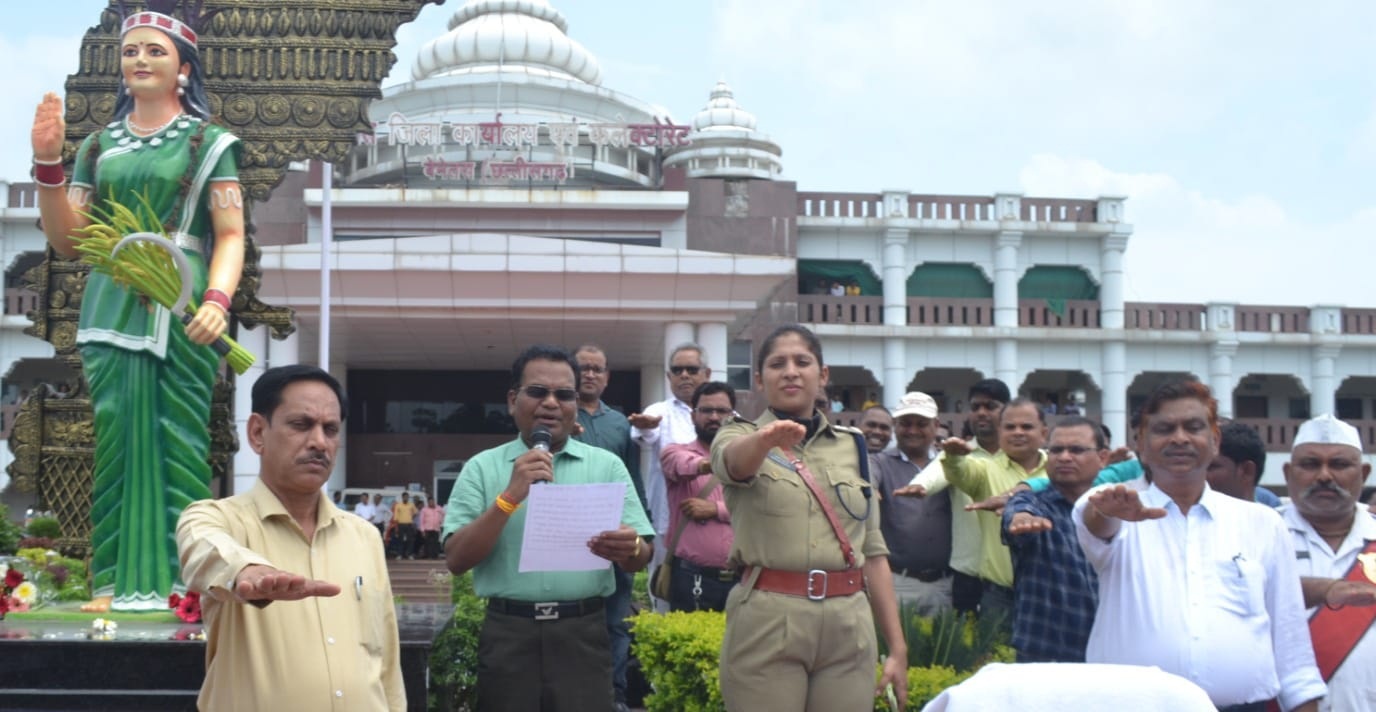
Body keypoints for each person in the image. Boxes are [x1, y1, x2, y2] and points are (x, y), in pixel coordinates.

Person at [32, 3, 244, 612]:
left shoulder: (209, 142)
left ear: (183, 66)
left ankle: (186, 582)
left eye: (155, 50)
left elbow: (230, 234)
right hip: (114, 301)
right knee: (118, 440)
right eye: (131, 51)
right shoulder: (99, 146)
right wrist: (48, 165)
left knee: (178, 438)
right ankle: (112, 584)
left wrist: (217, 300)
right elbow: (70, 239)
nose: (141, 60)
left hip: (182, 307)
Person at [1074, 380, 1324, 711]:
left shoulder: (1262, 523)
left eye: (1193, 427)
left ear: (1215, 441)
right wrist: (1104, 511)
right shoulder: (1120, 512)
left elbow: (1290, 642)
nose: (1180, 438)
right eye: (1164, 429)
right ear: (1142, 446)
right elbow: (1094, 519)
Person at [176, 365, 404, 710]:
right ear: (257, 432)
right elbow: (204, 549)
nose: (319, 442)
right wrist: (244, 571)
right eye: (301, 425)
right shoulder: (216, 518)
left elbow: (385, 657)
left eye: (330, 429)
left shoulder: (364, 536)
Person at [443, 345, 654, 712]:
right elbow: (457, 560)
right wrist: (509, 497)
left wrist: (631, 546)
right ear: (513, 400)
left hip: (583, 632)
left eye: (564, 395)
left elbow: (641, 556)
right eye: (538, 392)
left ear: (576, 403)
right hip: (509, 632)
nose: (551, 403)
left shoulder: (607, 466)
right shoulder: (481, 468)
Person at [712, 324, 907, 711]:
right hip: (768, 614)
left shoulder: (854, 446)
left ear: (823, 375)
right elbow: (733, 464)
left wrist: (897, 647)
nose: (790, 371)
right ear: (759, 379)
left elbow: (873, 550)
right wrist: (766, 439)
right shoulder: (738, 433)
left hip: (848, 622)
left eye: (803, 361)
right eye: (777, 363)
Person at [903, 397, 1047, 625]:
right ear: (1000, 432)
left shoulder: (1060, 469)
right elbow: (961, 472)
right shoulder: (984, 468)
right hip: (1000, 596)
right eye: (1010, 427)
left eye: (1026, 427)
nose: (1018, 432)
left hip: (1051, 594)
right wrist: (953, 458)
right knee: (996, 658)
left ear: (1044, 433)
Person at [1280, 415, 1376, 712]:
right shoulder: (1256, 536)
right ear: (1288, 473)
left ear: (1363, 473)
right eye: (1310, 464)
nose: (1324, 475)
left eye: (1339, 465)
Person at [572, 344, 645, 711]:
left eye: (597, 369)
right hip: (569, 532)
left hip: (615, 531)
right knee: (573, 618)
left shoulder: (620, 424)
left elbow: (633, 477)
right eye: (583, 368)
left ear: (607, 377)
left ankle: (614, 695)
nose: (590, 374)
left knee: (616, 621)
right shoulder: (556, 418)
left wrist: (640, 529)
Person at [900, 379, 1010, 614]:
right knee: (966, 647)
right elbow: (937, 471)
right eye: (975, 407)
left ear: (1007, 411)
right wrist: (920, 485)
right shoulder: (958, 452)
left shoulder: (1019, 455)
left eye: (990, 406)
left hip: (1009, 576)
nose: (981, 413)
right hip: (967, 576)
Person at [1001, 416, 1105, 662]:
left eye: (1077, 450)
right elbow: (1017, 512)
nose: (1065, 457)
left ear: (1103, 458)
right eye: (1056, 450)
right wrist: (1021, 519)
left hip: (1107, 653)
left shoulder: (1113, 508)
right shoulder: (1032, 503)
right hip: (1044, 654)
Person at [630, 342, 711, 609]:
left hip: (715, 518)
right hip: (668, 520)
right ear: (669, 377)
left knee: (711, 592)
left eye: (692, 369)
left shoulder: (724, 415)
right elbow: (645, 434)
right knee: (664, 594)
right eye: (677, 370)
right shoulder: (659, 411)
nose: (684, 375)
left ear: (707, 373)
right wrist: (643, 427)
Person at [660, 381, 738, 612]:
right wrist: (712, 463)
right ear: (693, 416)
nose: (714, 417)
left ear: (732, 416)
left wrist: (716, 510)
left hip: (742, 578)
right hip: (690, 576)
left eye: (722, 411)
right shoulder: (674, 452)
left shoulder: (747, 460)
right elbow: (683, 466)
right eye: (706, 410)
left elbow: (759, 510)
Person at [873, 391, 953, 616]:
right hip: (899, 583)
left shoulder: (949, 463)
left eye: (921, 424)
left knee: (942, 649)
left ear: (936, 425)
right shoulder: (880, 462)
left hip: (944, 584)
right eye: (906, 423)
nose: (913, 430)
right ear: (895, 425)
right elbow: (868, 477)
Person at [391, 491, 418, 559]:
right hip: (401, 524)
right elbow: (396, 517)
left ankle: (409, 554)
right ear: (402, 497)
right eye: (405, 497)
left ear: (408, 497)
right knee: (400, 540)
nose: (406, 498)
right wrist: (396, 526)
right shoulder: (398, 505)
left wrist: (411, 517)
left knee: (410, 540)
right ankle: (400, 554)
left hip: (409, 524)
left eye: (407, 497)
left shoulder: (411, 504)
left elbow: (416, 512)